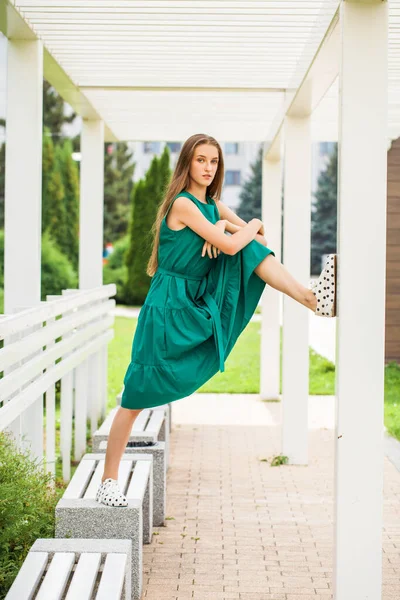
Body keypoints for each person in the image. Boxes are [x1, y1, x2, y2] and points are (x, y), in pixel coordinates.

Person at [96, 133, 336, 507]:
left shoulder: (214, 207)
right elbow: (233, 243)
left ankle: (310, 297)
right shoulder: (183, 205)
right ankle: (107, 482)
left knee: (251, 251)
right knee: (134, 398)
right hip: (167, 308)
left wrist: (229, 226)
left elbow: (252, 239)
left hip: (194, 300)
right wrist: (237, 226)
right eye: (200, 160)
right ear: (187, 164)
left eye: (213, 162)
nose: (208, 168)